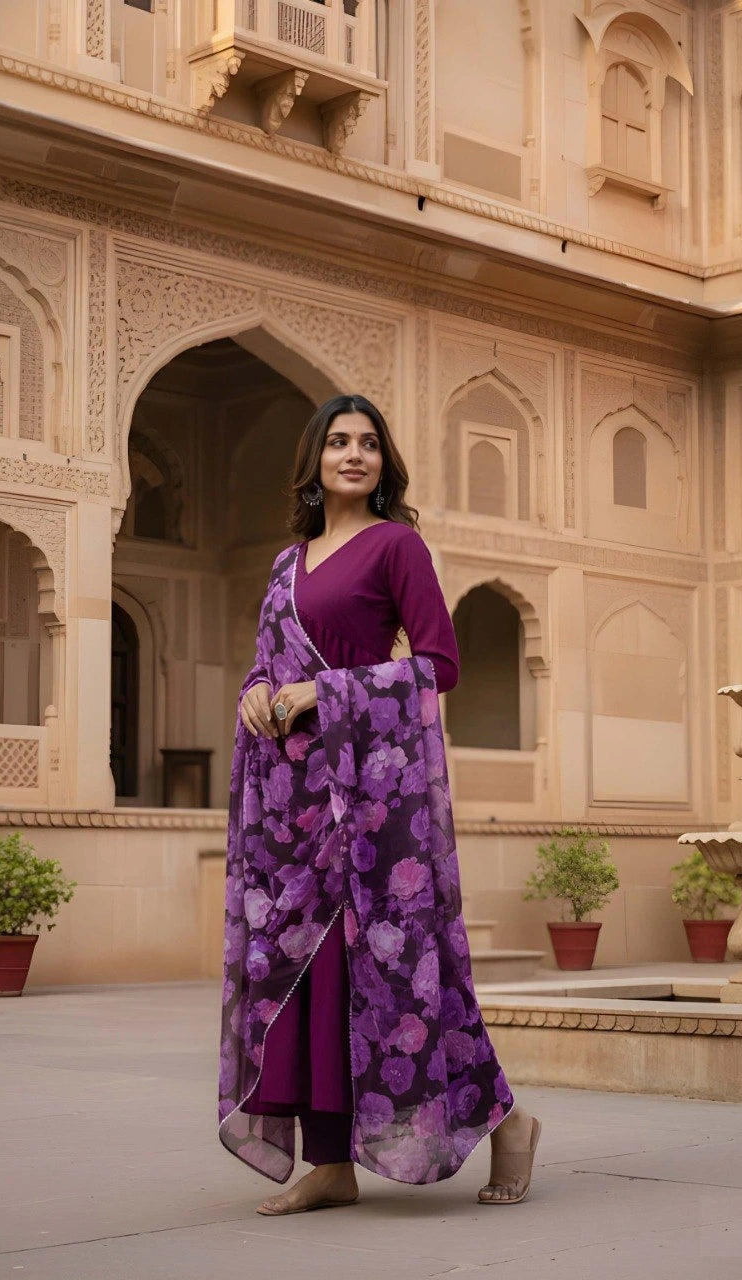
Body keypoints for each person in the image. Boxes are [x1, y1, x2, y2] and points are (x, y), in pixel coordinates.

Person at [218, 394, 542, 1215]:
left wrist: (318, 693)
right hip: (295, 812)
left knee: (404, 978)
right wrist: (259, 692)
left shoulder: (397, 546)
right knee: (305, 980)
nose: (352, 455)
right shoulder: (286, 565)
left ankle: (506, 1120)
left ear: (382, 462)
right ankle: (330, 1163)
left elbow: (438, 665)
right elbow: (266, 664)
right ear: (315, 462)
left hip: (372, 808)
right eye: (337, 442)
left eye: (367, 443)